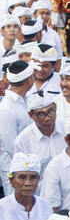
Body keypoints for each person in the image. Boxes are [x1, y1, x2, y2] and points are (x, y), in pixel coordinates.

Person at [14, 91, 65, 193]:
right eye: (41, 114)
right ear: (31, 115)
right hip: (41, 196)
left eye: (50, 112)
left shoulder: (67, 129)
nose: (47, 118)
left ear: (55, 107)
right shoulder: (23, 141)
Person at [0, 60, 34, 194]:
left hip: (30, 168)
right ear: (29, 80)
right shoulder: (6, 108)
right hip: (16, 171)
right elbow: (10, 147)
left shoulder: (26, 99)